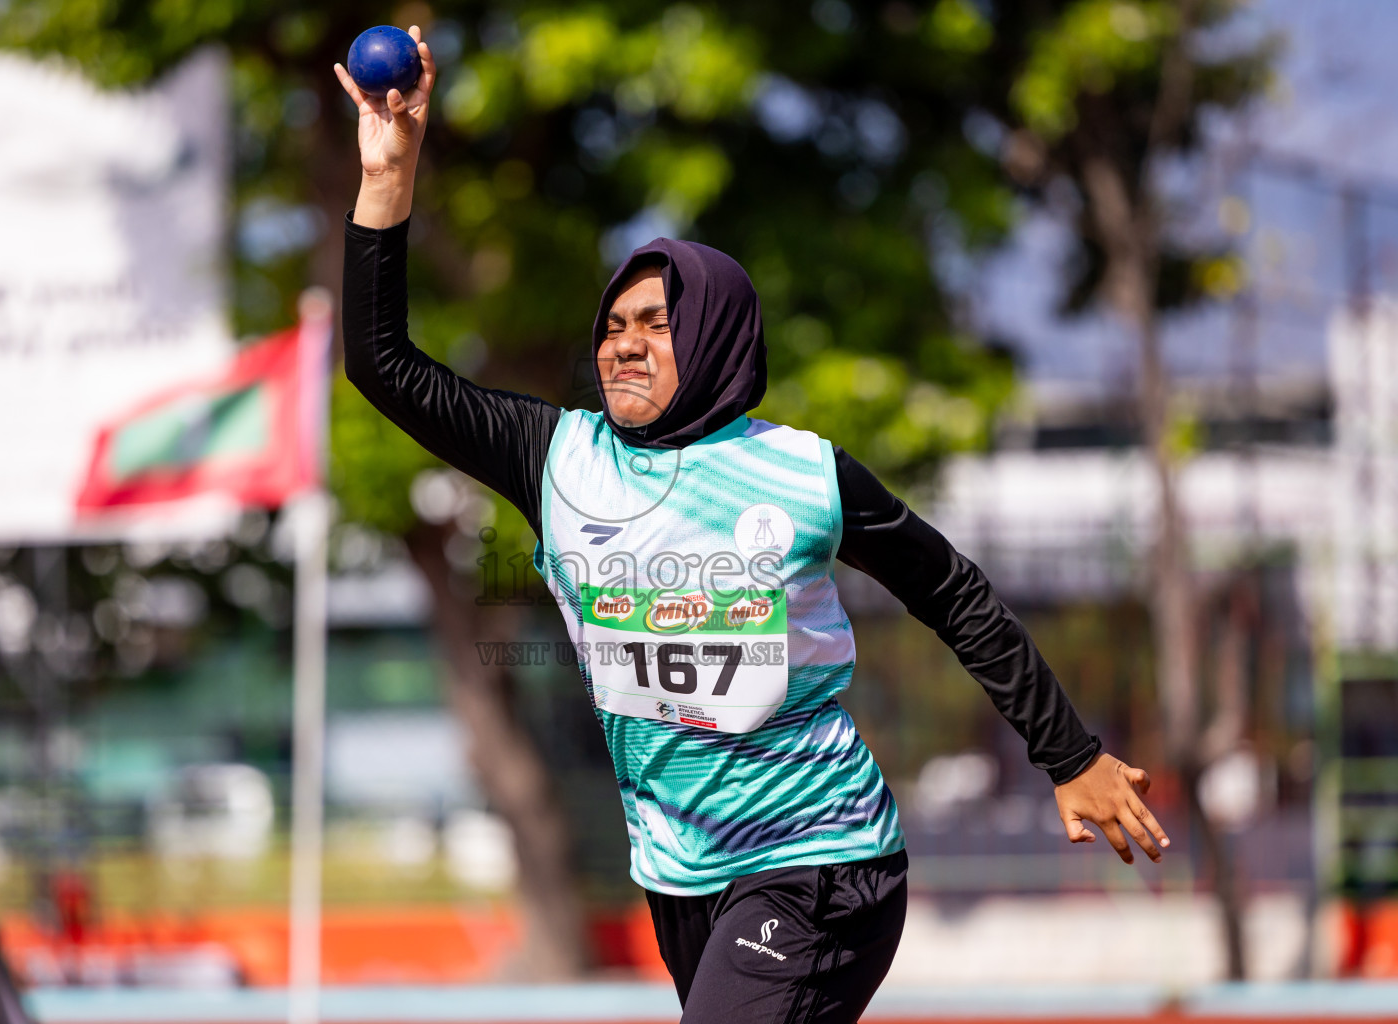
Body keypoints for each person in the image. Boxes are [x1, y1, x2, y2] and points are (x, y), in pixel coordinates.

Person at [334, 29, 1170, 1023]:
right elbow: (383, 364)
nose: (626, 346)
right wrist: (389, 172)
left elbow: (951, 593)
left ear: (721, 336)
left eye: (658, 323)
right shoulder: (557, 457)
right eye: (613, 324)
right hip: (680, 870)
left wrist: (1068, 754)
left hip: (822, 861)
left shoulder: (802, 472)